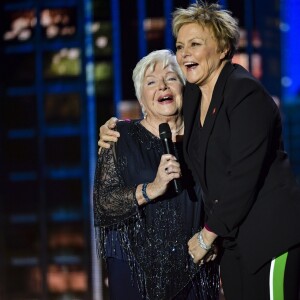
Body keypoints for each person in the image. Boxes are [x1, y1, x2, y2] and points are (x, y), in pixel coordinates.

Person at [98, 3, 300, 299]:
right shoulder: (194, 96)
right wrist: (119, 127)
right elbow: (164, 116)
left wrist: (207, 235)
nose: (185, 53)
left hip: (267, 238)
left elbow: (244, 176)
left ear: (222, 48)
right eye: (180, 46)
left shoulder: (245, 93)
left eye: (195, 44)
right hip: (232, 245)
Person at [93, 49, 219, 300]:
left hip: (195, 263)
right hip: (133, 269)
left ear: (184, 88)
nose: (162, 86)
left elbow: (224, 197)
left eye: (171, 78)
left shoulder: (205, 139)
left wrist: (214, 238)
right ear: (142, 98)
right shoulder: (119, 136)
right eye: (151, 82)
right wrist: (152, 188)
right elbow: (103, 204)